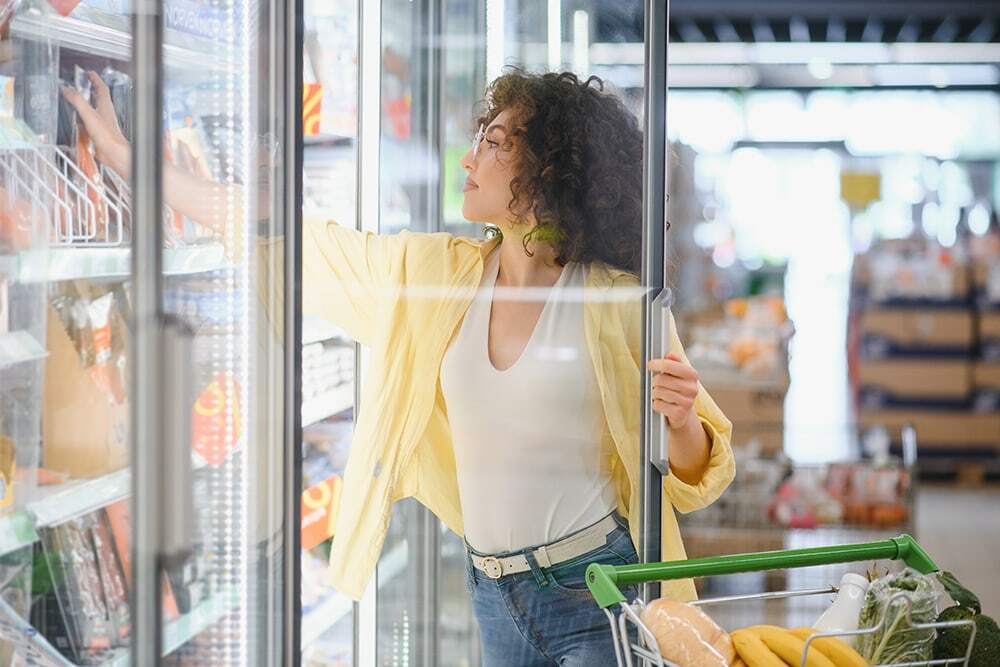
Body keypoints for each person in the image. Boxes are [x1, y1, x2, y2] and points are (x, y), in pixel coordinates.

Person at [66, 69, 735, 667]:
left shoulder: (617, 300)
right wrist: (131, 160)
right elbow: (294, 239)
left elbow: (698, 472)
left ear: (549, 170)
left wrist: (680, 420)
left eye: (497, 143)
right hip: (495, 594)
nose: (470, 156)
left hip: (599, 591)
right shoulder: (436, 276)